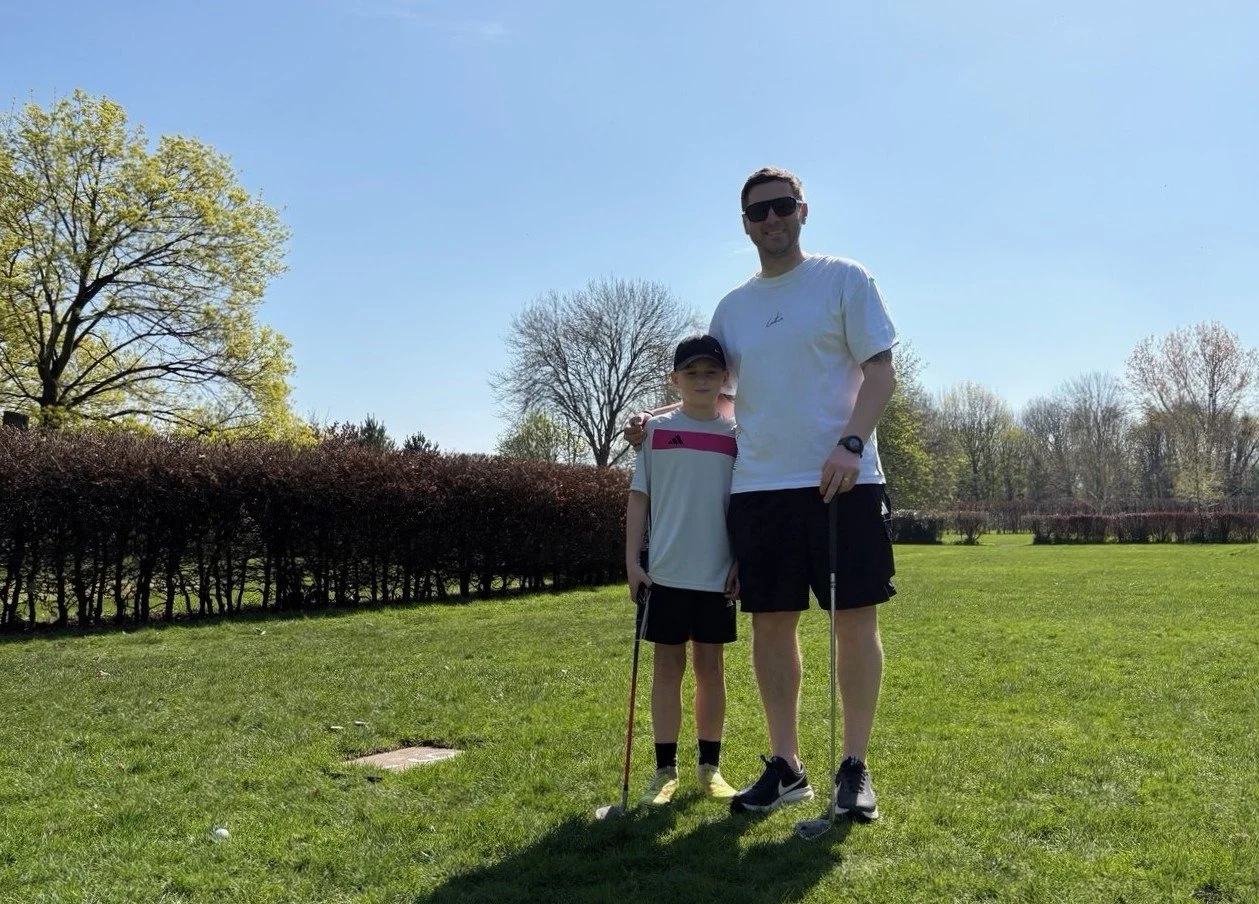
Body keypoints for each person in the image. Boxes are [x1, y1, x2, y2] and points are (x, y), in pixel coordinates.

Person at [625, 167, 898, 820]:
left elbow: (881, 373)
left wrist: (851, 443)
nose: (770, 221)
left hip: (843, 483)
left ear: (802, 211)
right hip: (759, 490)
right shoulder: (732, 309)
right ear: (744, 225)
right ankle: (787, 766)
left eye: (781, 208)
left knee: (853, 625)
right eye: (757, 213)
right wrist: (655, 419)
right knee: (771, 630)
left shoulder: (843, 280)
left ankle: (854, 767)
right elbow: (714, 388)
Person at [626, 334, 741, 805]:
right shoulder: (653, 432)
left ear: (724, 380)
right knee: (667, 668)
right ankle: (664, 770)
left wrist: (741, 561)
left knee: (711, 669)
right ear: (675, 379)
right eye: (691, 373)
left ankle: (709, 768)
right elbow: (639, 498)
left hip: (717, 575)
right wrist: (632, 562)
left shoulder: (737, 438)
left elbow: (744, 507)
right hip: (665, 574)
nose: (701, 380)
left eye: (710, 373)